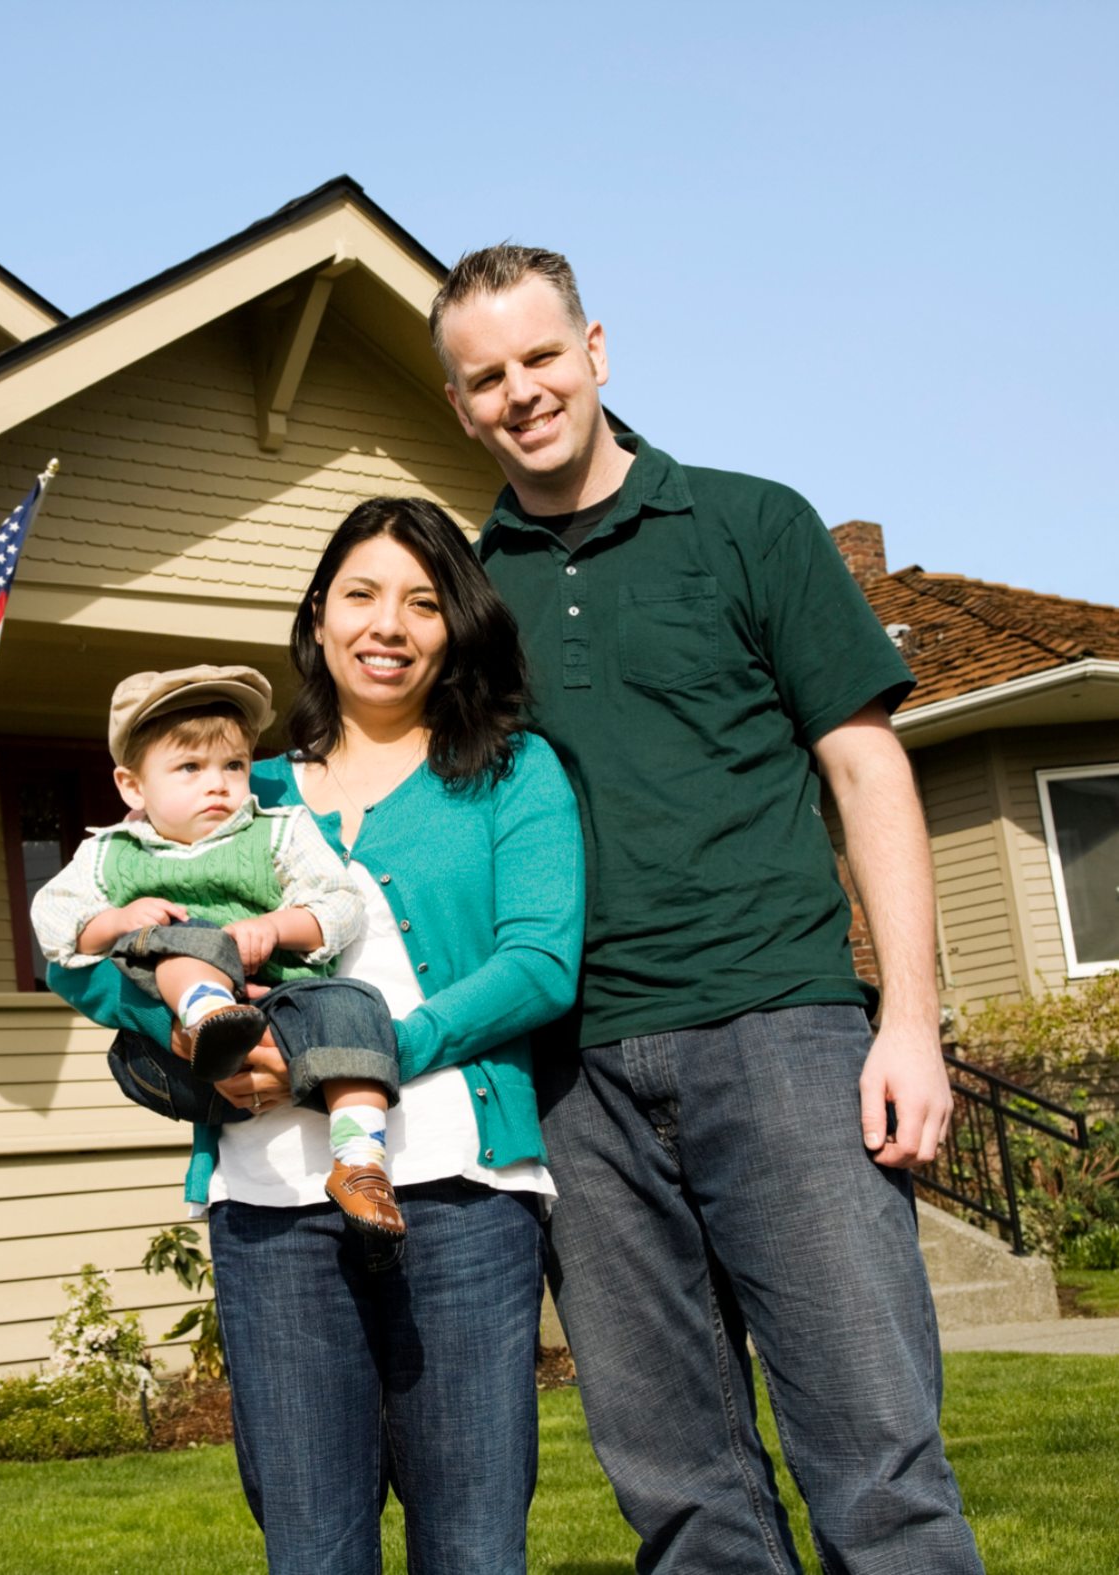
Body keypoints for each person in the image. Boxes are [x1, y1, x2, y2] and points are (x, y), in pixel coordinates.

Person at [430, 242, 983, 1573]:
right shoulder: (466, 592)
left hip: (784, 1036)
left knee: (881, 1465)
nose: (521, 392)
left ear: (598, 349)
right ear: (459, 404)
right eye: (485, 377)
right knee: (683, 1494)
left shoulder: (751, 522)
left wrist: (908, 1017)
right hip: (572, 1076)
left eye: (541, 357)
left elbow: (865, 766)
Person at [52, 498, 583, 1575]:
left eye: (424, 602)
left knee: (476, 1544)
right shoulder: (240, 784)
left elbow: (540, 964)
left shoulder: (510, 772)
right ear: (319, 615)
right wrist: (200, 1040)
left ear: (457, 627)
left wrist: (361, 1052)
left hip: (462, 1192)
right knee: (310, 1547)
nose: (389, 625)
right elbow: (104, 963)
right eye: (362, 595)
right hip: (269, 1206)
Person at [29, 664, 407, 1239]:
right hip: (177, 1052)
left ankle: (360, 1164)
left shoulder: (277, 830)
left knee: (355, 1002)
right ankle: (210, 1016)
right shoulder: (108, 854)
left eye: (233, 765)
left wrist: (280, 926)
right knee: (186, 937)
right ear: (133, 786)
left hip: (287, 1007)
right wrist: (115, 922)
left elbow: (341, 903)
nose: (218, 783)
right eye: (189, 768)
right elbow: (53, 922)